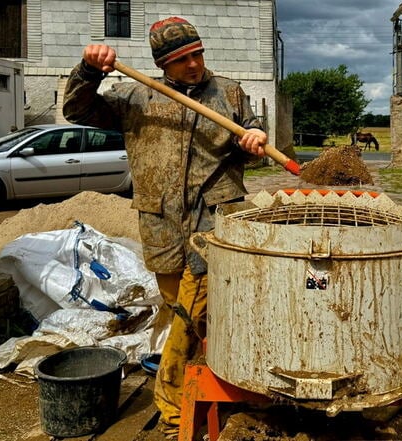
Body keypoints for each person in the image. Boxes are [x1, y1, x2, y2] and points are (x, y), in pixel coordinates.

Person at [62, 16, 267, 439]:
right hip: (160, 222)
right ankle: (212, 385)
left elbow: (252, 145)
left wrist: (254, 138)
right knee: (186, 316)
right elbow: (76, 110)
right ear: (162, 65)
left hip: (214, 216)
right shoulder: (134, 96)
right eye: (180, 60)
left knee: (198, 310)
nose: (193, 65)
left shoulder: (228, 92)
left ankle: (174, 408)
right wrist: (88, 69)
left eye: (197, 54)